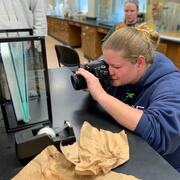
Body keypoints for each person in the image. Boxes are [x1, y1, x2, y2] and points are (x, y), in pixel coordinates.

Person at [76, 23, 180, 172]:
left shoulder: (172, 85)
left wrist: (101, 95)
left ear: (139, 62)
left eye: (116, 67)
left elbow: (159, 135)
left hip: (164, 165)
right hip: (128, 148)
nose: (109, 71)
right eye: (106, 64)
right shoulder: (117, 63)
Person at [0, 0, 47, 101]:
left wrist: (36, 39)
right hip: (2, 44)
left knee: (33, 94)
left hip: (27, 44)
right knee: (6, 95)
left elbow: (39, 10)